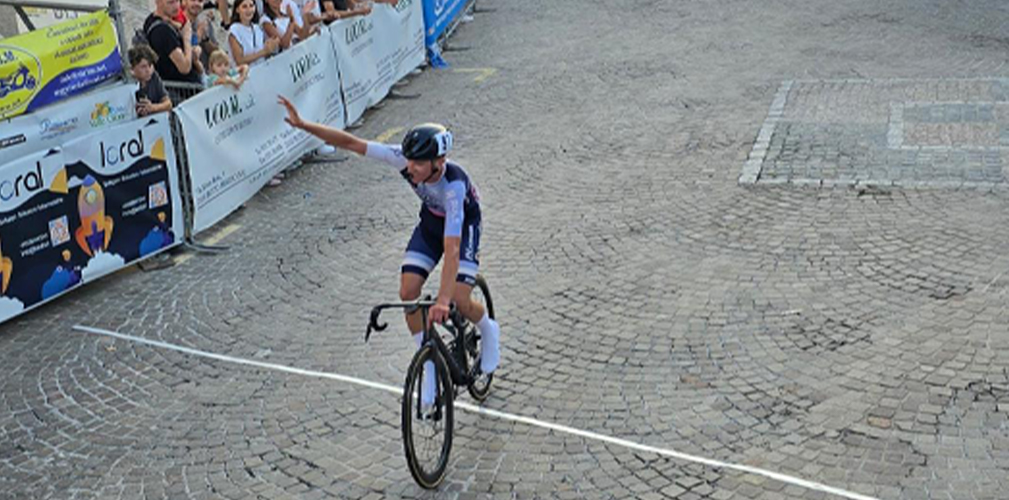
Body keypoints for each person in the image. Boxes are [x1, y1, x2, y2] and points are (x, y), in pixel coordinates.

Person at [277, 95, 502, 387]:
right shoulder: (404, 160)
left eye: (419, 164)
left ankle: (488, 328)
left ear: (439, 162)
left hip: (462, 225)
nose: (410, 168)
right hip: (432, 222)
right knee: (408, 292)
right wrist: (303, 125)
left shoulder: (454, 186)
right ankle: (430, 364)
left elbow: (453, 248)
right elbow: (351, 143)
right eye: (409, 160)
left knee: (459, 297)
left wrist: (444, 299)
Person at [143, 0, 204, 85]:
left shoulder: (155, 20)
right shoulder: (162, 30)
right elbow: (184, 68)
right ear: (158, 2)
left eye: (177, 1)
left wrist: (191, 51)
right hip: (182, 89)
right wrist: (187, 38)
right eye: (170, 2)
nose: (176, 7)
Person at [228, 0, 280, 66]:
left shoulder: (257, 28)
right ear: (237, 9)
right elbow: (240, 60)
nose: (248, 10)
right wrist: (264, 52)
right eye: (244, 7)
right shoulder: (234, 30)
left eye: (251, 6)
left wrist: (271, 46)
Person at [129, 45, 173, 116]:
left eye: (150, 66)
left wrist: (152, 107)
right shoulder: (128, 84)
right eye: (143, 66)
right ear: (132, 68)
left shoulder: (154, 77)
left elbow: (168, 104)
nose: (148, 70)